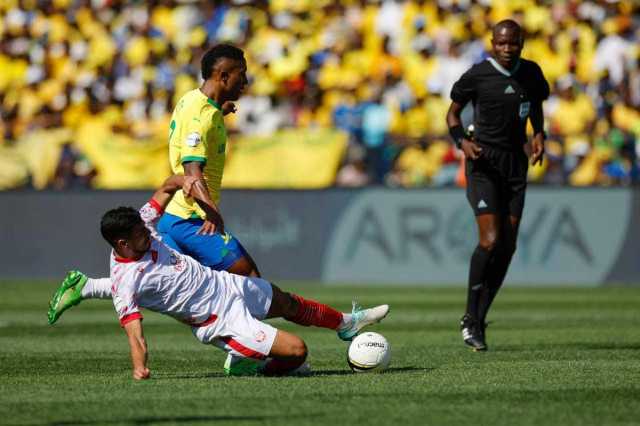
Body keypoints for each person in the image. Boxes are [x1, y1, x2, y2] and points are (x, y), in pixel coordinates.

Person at [48, 44, 264, 325]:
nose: (245, 82)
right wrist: (210, 210)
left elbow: (196, 129)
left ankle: (86, 286)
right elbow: (192, 171)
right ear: (223, 76)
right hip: (192, 217)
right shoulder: (200, 116)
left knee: (179, 291)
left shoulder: (193, 102)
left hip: (175, 216)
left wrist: (218, 112)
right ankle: (245, 352)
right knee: (249, 281)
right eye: (241, 75)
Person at [98, 174, 389, 379]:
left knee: (288, 303)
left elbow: (166, 186)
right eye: (139, 235)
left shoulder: (142, 223)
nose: (147, 234)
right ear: (122, 244)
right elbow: (135, 334)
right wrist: (140, 367)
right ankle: (248, 365)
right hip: (220, 320)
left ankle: (346, 324)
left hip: (226, 285)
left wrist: (183, 181)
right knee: (297, 352)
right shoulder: (125, 281)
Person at [445, 20, 549, 351]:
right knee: (490, 241)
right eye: (501, 43)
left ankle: (479, 318)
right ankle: (468, 316)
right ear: (492, 43)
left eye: (513, 43)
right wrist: (462, 142)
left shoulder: (531, 73)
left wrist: (539, 135)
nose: (507, 49)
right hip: (483, 163)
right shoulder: (478, 75)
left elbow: (536, 106)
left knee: (508, 247)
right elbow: (452, 115)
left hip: (515, 166)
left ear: (521, 43)